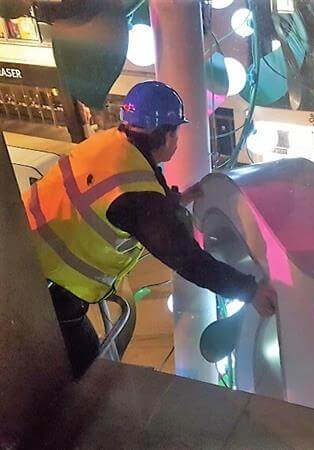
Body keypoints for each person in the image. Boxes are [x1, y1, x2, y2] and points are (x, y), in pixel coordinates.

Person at [21, 81, 277, 377]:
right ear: (167, 134)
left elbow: (125, 191)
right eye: (177, 131)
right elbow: (188, 259)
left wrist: (175, 199)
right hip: (49, 285)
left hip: (25, 252)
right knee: (85, 375)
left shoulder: (112, 143)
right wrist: (250, 290)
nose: (178, 140)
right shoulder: (137, 196)